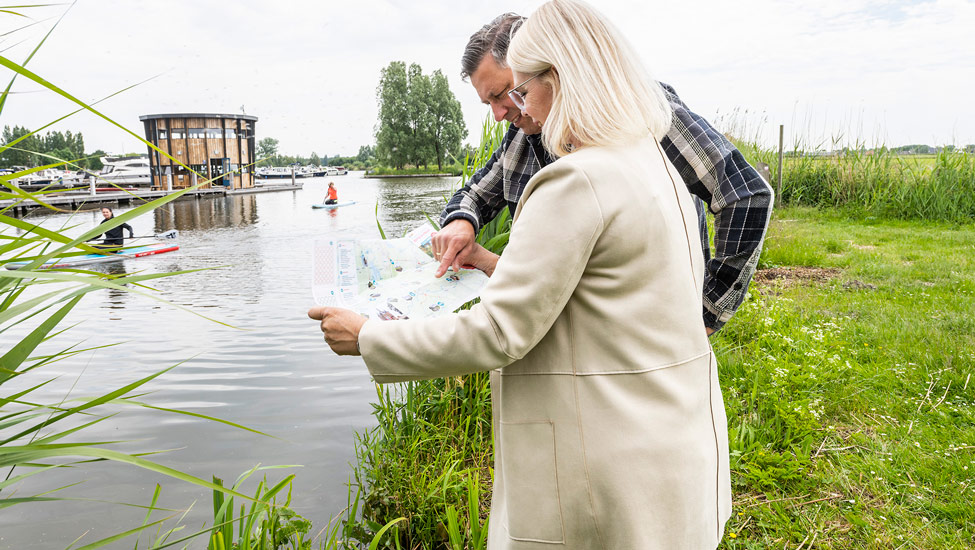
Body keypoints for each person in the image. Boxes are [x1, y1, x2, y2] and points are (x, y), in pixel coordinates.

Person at [309, 0, 730, 547]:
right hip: (671, 448)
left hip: (602, 472)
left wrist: (370, 338)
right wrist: (488, 257)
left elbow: (498, 331)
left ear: (563, 79)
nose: (522, 113)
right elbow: (601, 298)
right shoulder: (653, 164)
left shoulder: (575, 182)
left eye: (524, 90)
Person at [432, 12, 774, 336]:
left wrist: (707, 312)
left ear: (542, 69)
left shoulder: (641, 110)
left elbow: (744, 193)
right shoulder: (521, 138)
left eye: (507, 93)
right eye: (487, 103)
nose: (499, 114)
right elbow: (475, 194)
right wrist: (461, 221)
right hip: (571, 339)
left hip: (648, 334)